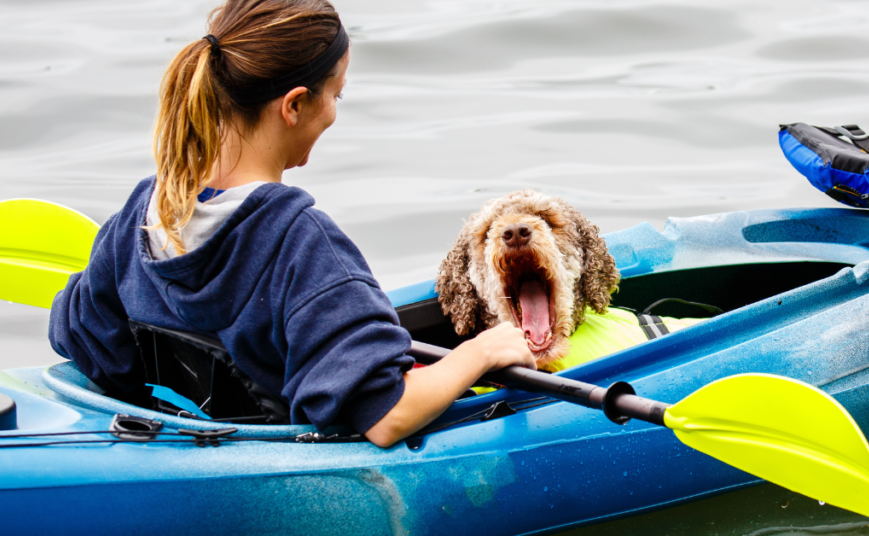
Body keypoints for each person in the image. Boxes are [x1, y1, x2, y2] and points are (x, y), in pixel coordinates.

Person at [48, 0, 535, 448]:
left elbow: (82, 342)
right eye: (336, 96)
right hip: (267, 482)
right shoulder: (302, 245)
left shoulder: (141, 215)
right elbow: (386, 415)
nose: (332, 115)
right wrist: (479, 352)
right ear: (295, 104)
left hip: (182, 448)